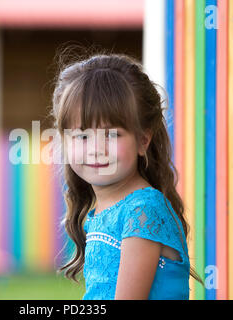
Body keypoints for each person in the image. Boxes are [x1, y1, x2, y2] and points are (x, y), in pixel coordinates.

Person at [50, 50, 204, 299]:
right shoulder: (104, 211)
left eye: (111, 134)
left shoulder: (142, 211)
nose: (96, 149)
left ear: (143, 140)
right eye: (82, 136)